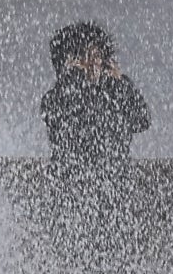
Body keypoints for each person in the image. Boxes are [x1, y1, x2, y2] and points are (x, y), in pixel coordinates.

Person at [40, 22, 150, 168]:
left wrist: (120, 83)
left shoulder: (114, 91)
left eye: (97, 56)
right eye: (86, 57)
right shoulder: (56, 97)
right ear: (70, 62)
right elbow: (75, 122)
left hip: (116, 181)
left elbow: (142, 120)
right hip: (71, 181)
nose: (93, 64)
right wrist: (74, 78)